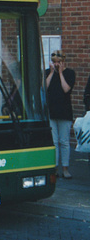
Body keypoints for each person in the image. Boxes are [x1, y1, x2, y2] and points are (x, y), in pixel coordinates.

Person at [46, 50, 75, 179]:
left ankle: (65, 168)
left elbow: (66, 89)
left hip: (64, 112)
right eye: (54, 62)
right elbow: (44, 87)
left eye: (59, 62)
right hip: (52, 111)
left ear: (64, 62)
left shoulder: (70, 73)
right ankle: (55, 168)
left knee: (64, 141)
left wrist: (61, 73)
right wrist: (52, 73)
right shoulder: (48, 73)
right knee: (54, 142)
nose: (57, 65)